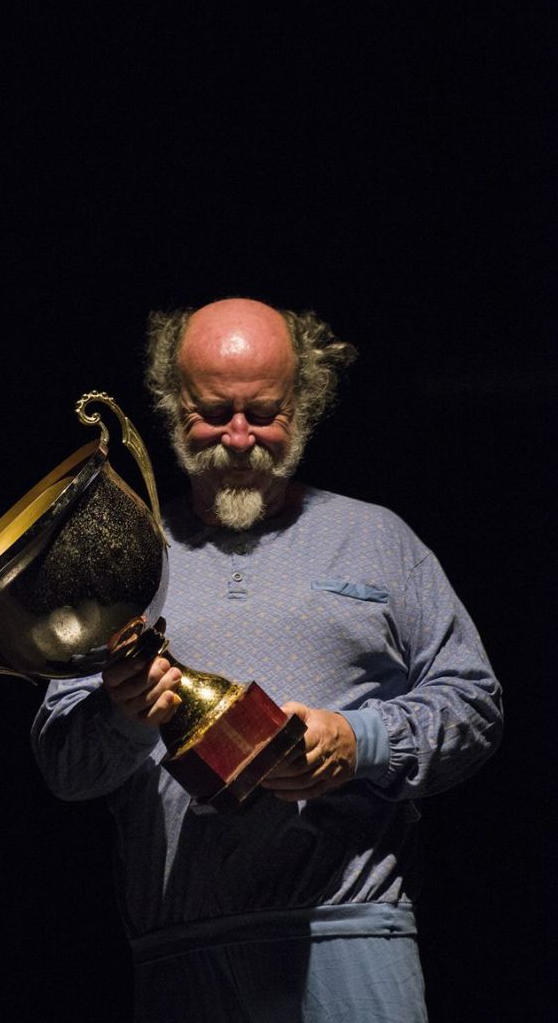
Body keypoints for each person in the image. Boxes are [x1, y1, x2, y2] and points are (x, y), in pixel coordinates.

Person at [31, 297, 503, 1022]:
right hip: (182, 953)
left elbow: (474, 704)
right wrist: (126, 715)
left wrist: (359, 741)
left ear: (305, 403)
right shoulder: (121, 564)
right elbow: (65, 768)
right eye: (214, 411)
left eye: (266, 410)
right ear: (170, 402)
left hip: (349, 939)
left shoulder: (376, 537)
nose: (241, 436)